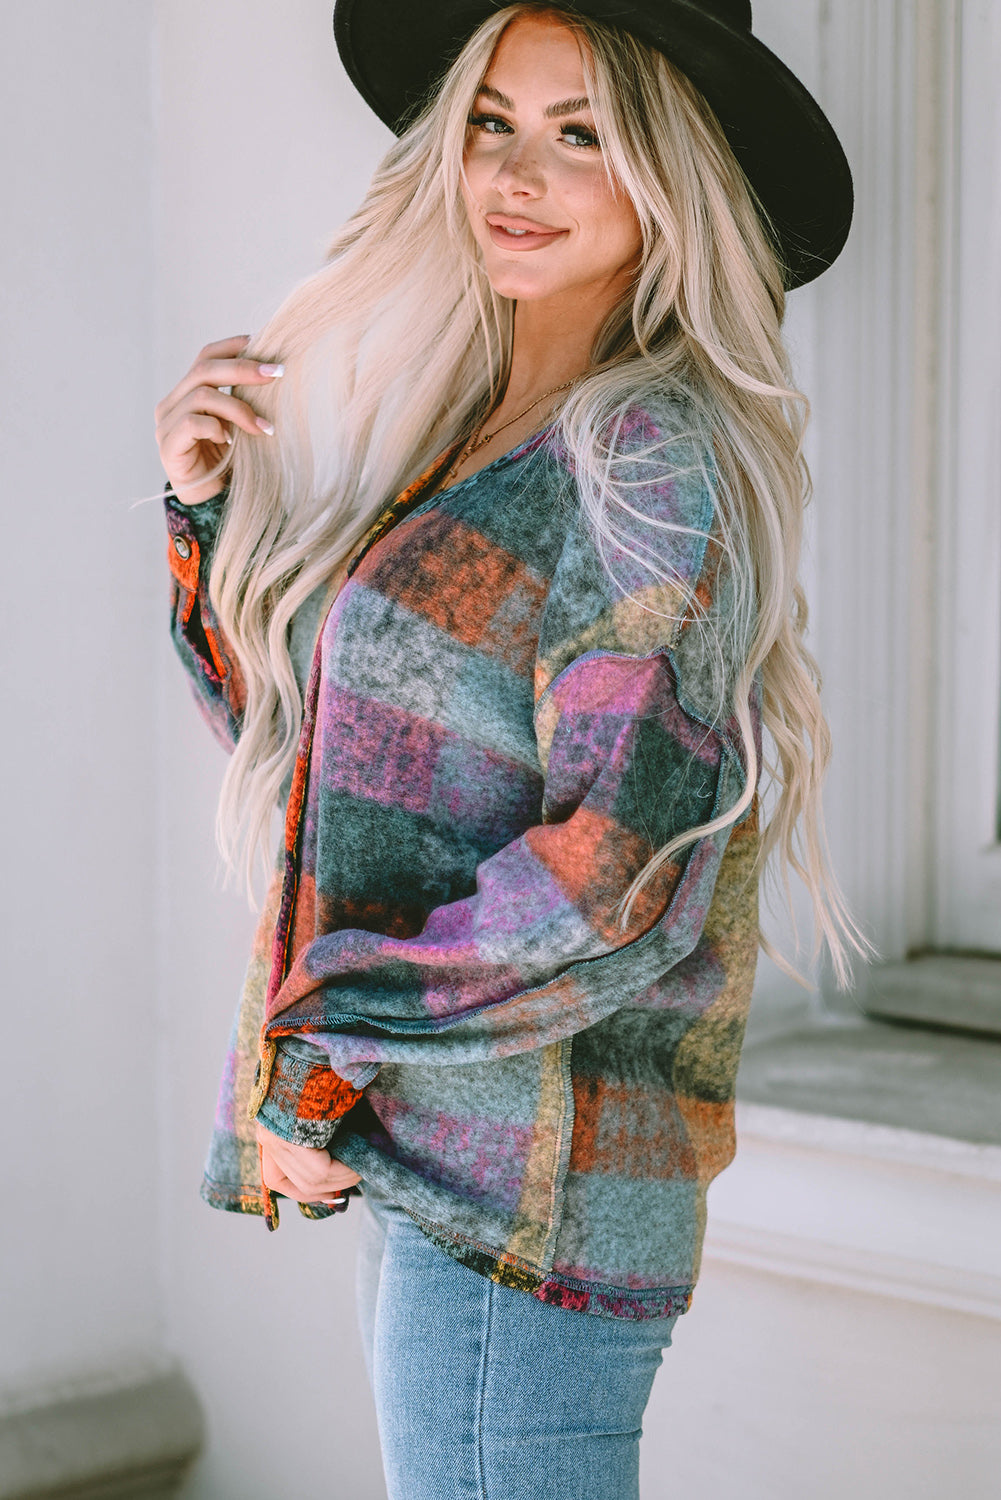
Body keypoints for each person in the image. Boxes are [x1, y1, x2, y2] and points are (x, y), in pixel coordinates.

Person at [155, 3, 860, 1495]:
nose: (515, 174)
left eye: (579, 133)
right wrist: (210, 515)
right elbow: (339, 778)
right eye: (493, 122)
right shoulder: (484, 430)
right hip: (445, 1159)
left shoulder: (642, 459)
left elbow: (612, 873)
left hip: (532, 1182)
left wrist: (330, 1050)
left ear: (671, 169)